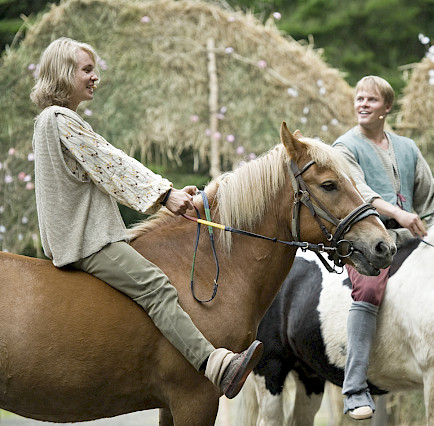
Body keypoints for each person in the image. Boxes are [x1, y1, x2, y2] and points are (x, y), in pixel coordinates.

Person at [30, 37, 262, 398]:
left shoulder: (47, 122)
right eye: (87, 70)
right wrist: (164, 194)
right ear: (63, 73)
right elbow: (110, 163)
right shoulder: (60, 120)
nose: (96, 78)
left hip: (77, 240)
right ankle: (215, 365)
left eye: (95, 70)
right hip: (88, 243)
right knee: (157, 287)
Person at [332, 75, 434, 420]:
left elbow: (431, 195)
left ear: (387, 107)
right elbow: (360, 193)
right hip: (366, 244)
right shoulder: (344, 148)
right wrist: (400, 213)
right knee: (369, 289)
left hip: (409, 240)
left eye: (371, 100)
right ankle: (355, 387)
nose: (362, 104)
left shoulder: (407, 147)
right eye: (359, 99)